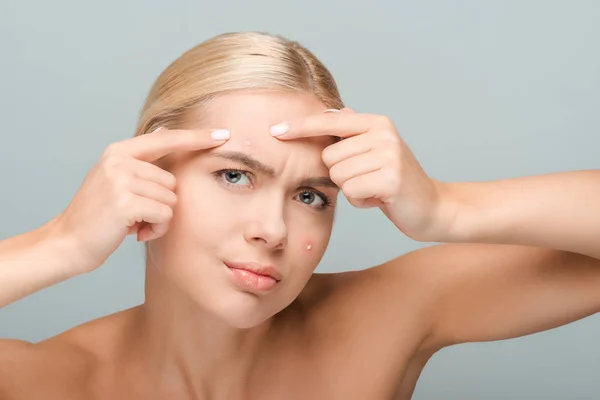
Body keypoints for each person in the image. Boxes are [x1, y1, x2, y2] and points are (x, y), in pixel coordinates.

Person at [0, 31, 598, 400]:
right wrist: (61, 245)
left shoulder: (386, 319)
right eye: (234, 175)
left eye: (311, 196)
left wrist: (447, 207)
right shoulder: (39, 380)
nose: (274, 229)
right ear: (148, 169)